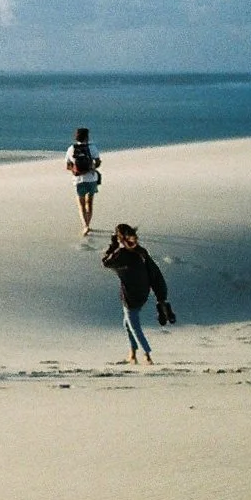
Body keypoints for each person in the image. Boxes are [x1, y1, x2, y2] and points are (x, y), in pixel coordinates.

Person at [101, 223, 169, 366]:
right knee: (127, 323)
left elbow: (106, 262)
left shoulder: (122, 254)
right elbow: (155, 273)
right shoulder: (141, 252)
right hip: (142, 293)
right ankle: (132, 354)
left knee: (133, 325)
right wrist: (161, 297)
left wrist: (113, 245)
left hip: (131, 296)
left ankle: (147, 355)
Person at [65, 126, 103, 236]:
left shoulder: (71, 149)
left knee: (81, 204)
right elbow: (98, 162)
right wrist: (92, 168)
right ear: (87, 137)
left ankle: (85, 226)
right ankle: (88, 225)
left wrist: (76, 171)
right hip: (91, 178)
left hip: (78, 180)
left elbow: (68, 165)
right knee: (89, 203)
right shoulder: (92, 148)